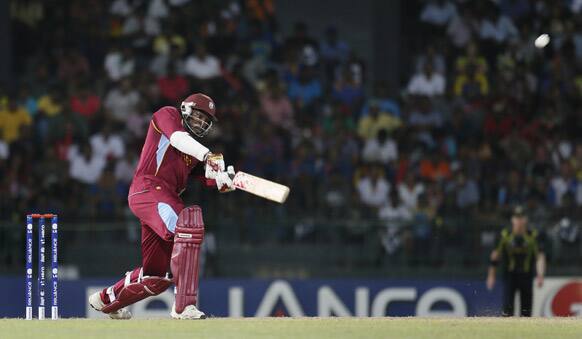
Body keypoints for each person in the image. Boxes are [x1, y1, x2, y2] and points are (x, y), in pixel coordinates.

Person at [88, 93, 236, 320]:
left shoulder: (194, 153)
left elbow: (206, 176)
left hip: (163, 199)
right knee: (188, 229)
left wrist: (225, 180)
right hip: (149, 189)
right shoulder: (167, 115)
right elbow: (177, 139)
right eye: (198, 116)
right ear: (185, 110)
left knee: (157, 278)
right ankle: (184, 307)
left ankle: (107, 299)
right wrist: (208, 156)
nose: (200, 123)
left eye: (205, 121)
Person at [486, 206, 546, 317]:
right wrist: (491, 276)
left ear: (526, 219)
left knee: (526, 311)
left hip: (527, 276)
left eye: (521, 217)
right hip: (509, 276)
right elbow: (495, 256)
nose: (519, 221)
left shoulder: (533, 235)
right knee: (508, 310)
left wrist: (540, 275)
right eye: (516, 218)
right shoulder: (504, 235)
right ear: (512, 219)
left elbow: (540, 257)